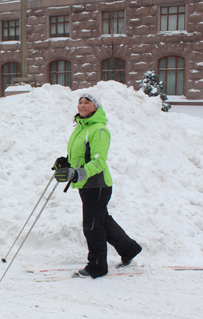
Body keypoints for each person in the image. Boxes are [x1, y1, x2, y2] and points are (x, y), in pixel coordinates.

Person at [53, 89, 142, 278]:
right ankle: (129, 249)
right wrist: (66, 163)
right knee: (101, 222)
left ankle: (97, 267)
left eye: (87, 102)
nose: (82, 105)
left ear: (96, 106)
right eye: (80, 102)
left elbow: (99, 162)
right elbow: (81, 156)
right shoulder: (81, 127)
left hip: (97, 185)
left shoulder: (99, 129)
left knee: (92, 226)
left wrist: (77, 173)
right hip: (86, 184)